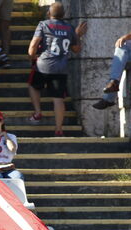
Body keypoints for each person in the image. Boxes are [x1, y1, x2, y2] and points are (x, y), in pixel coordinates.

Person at [27, 2, 84, 136]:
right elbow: (76, 49)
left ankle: (37, 112)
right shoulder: (69, 28)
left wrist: (31, 56)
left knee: (33, 86)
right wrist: (77, 36)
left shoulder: (44, 24)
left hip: (43, 65)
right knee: (58, 98)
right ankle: (58, 128)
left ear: (49, 13)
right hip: (61, 68)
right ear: (63, 15)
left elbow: (34, 43)